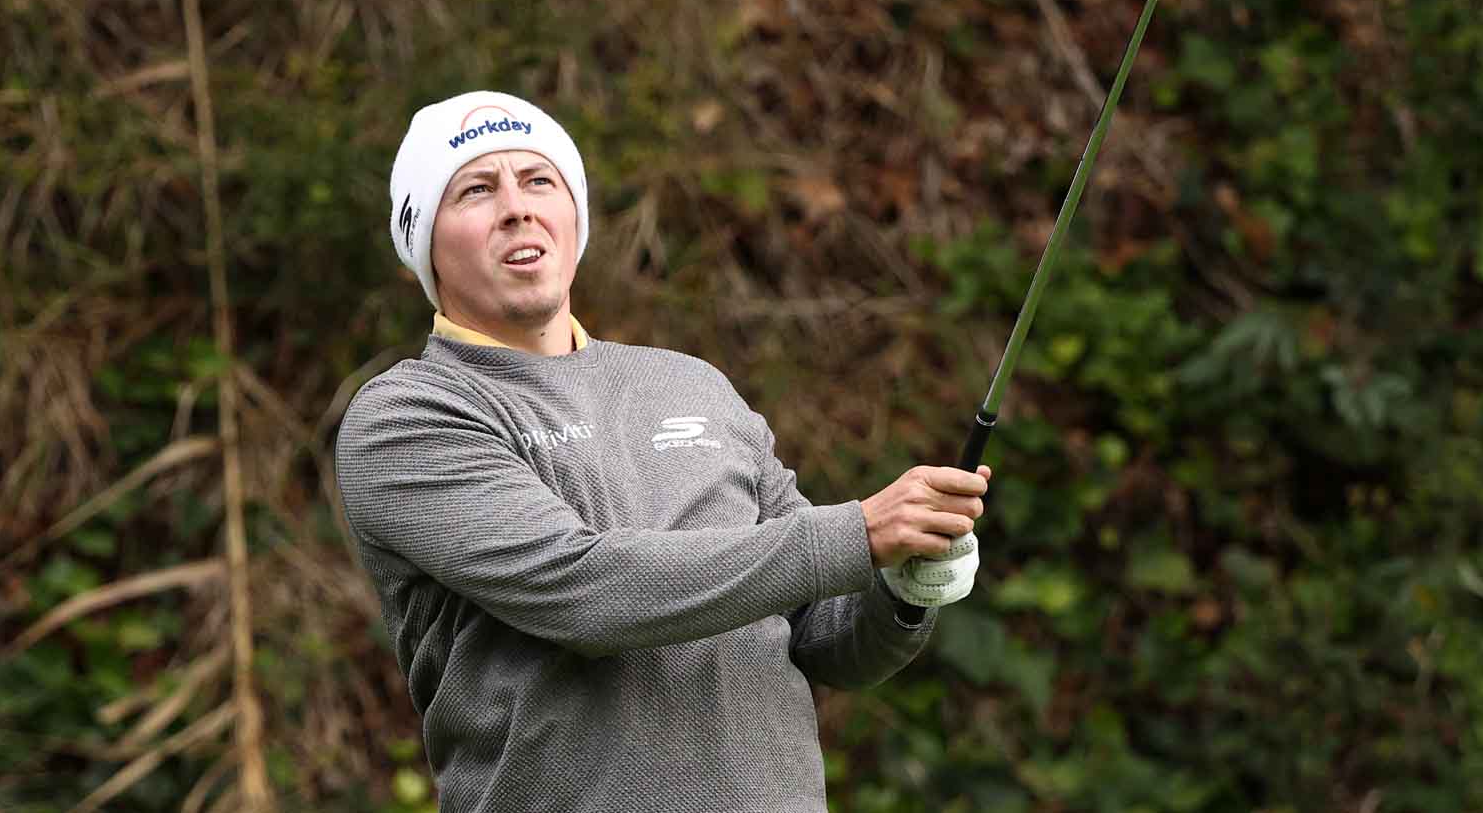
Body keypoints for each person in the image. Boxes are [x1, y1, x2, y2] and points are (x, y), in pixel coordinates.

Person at [336, 91, 992, 813]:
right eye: (476, 190)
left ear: (573, 216)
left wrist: (904, 584)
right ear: (423, 242)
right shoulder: (407, 418)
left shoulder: (691, 383)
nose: (517, 207)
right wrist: (858, 534)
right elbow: (587, 592)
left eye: (539, 180)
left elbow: (821, 632)